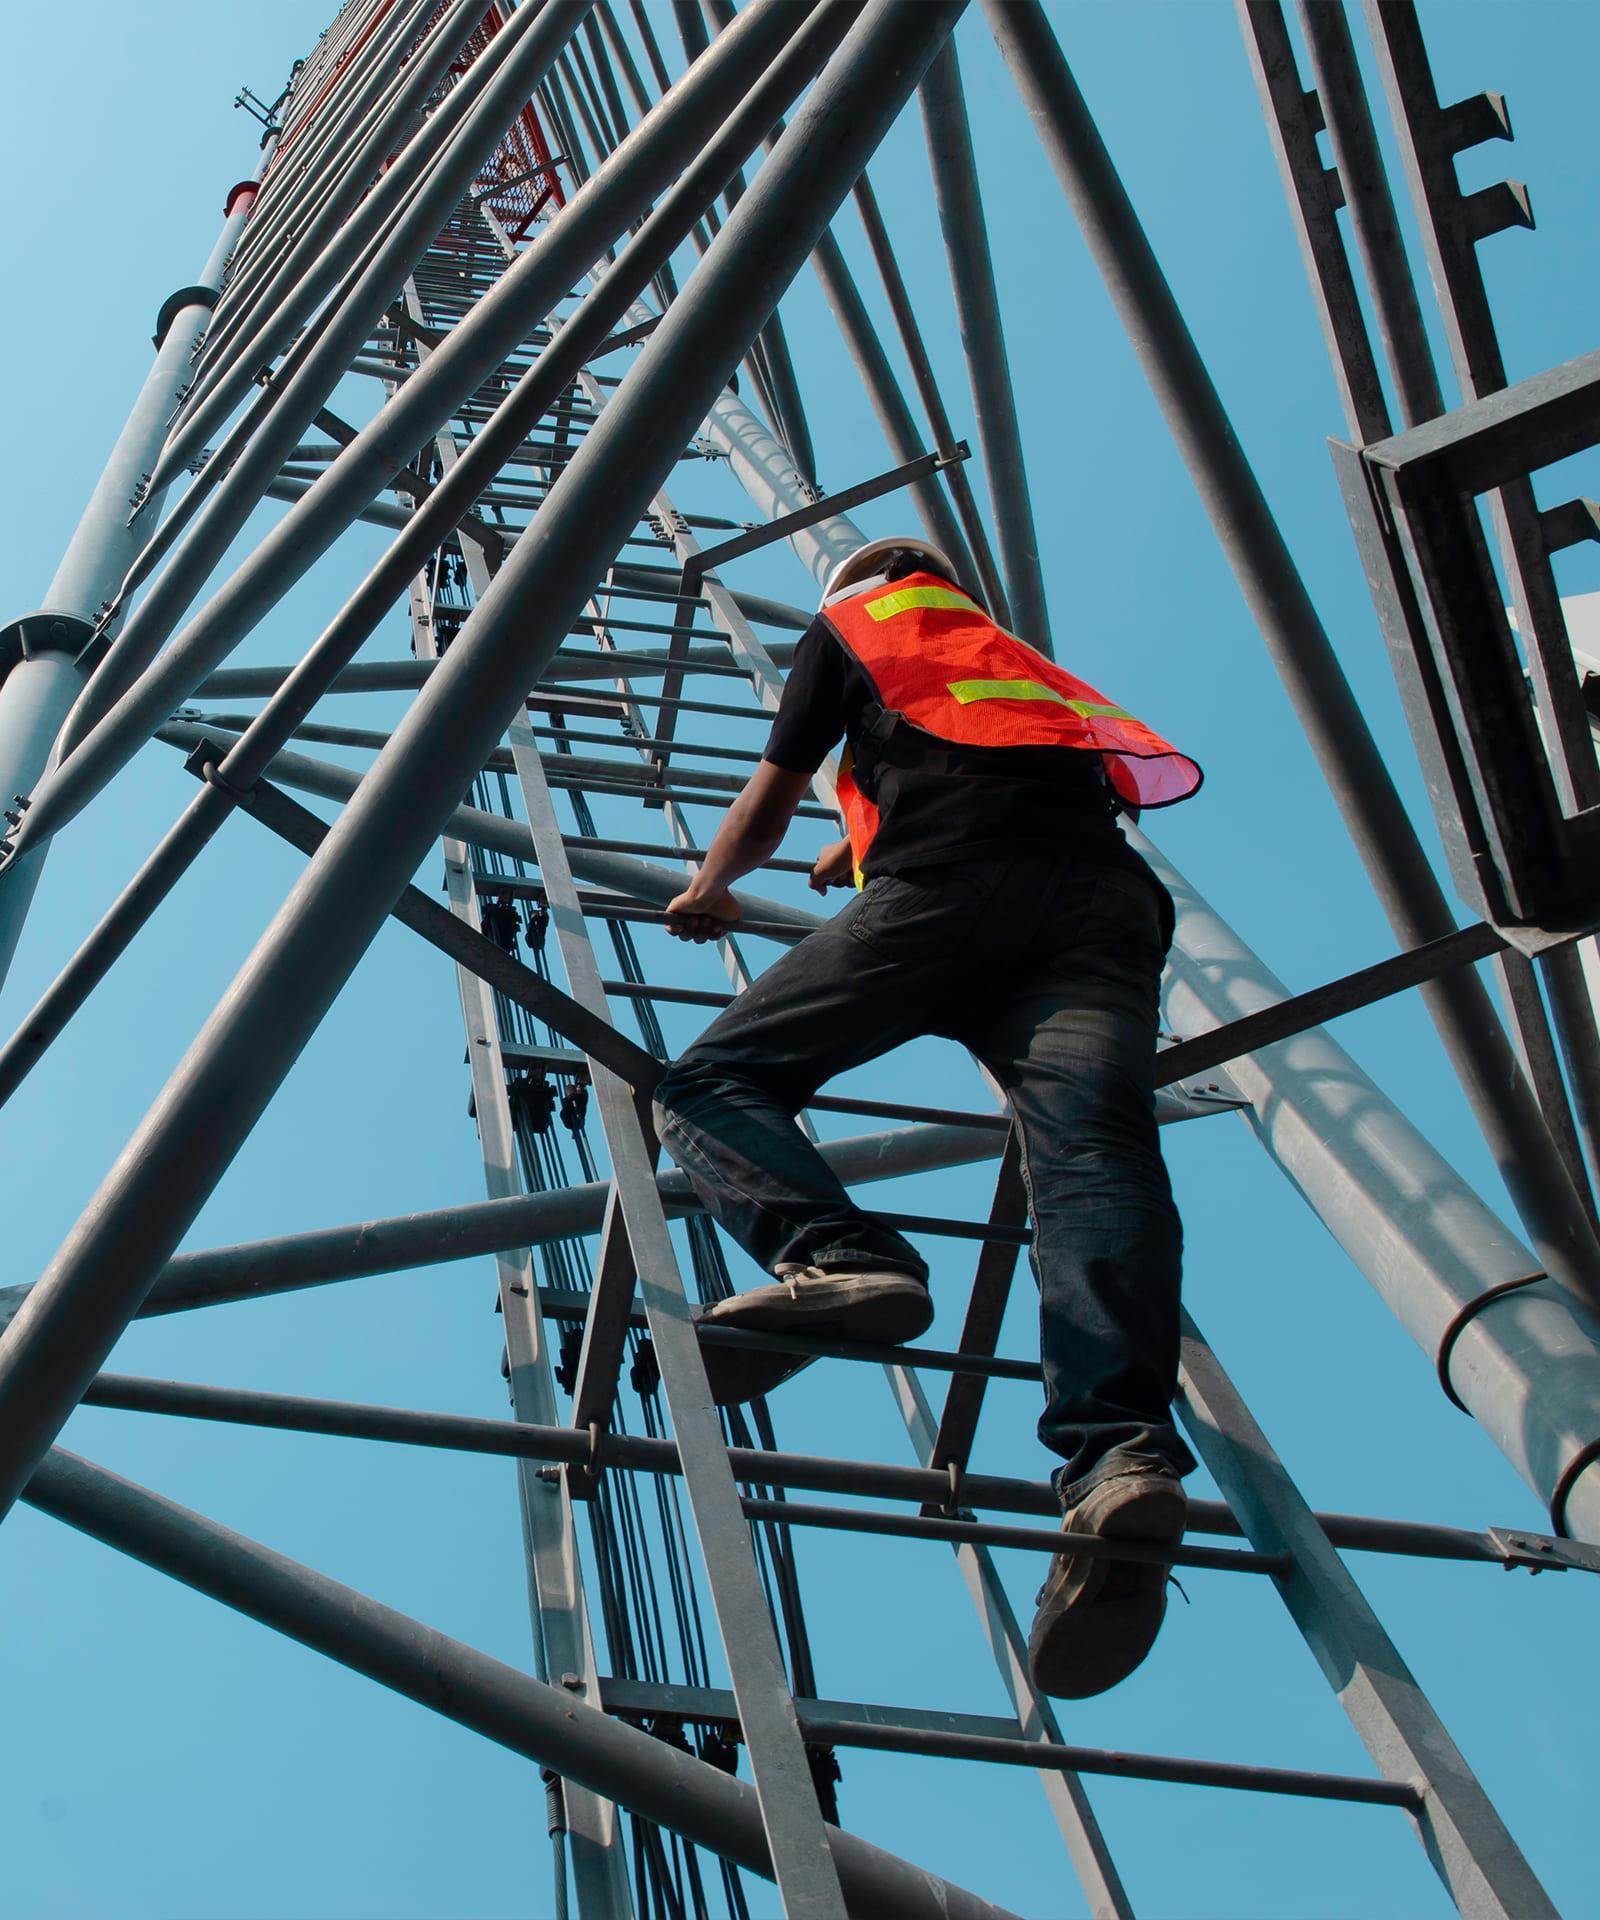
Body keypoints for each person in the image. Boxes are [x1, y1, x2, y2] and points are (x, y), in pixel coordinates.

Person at [651, 536, 1203, 1698]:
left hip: (953, 893)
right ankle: (1118, 1457)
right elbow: (967, 766)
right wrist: (850, 852)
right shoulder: (994, 651)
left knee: (708, 1083)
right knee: (1090, 1156)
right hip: (1101, 911)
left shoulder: (854, 625)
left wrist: (711, 885)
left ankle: (843, 1260)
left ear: (848, 589)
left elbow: (769, 790)